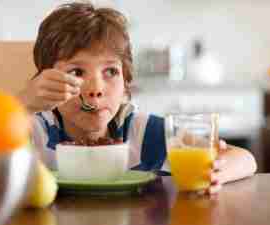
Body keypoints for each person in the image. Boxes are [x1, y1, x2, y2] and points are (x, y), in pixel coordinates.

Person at [17, 2, 257, 194]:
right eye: (77, 72)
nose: (95, 89)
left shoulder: (142, 132)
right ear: (46, 80)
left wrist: (217, 170)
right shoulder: (35, 131)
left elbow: (245, 159)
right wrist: (21, 105)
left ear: (126, 83)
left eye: (110, 71)